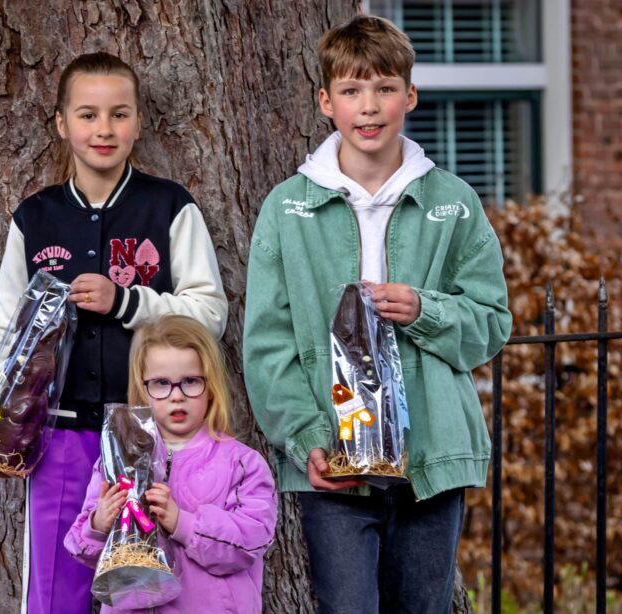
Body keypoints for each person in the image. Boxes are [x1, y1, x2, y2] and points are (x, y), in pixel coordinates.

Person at [243, 14, 512, 614]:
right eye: (351, 91)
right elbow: (267, 344)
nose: (369, 107)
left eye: (385, 88)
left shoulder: (453, 203)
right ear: (325, 101)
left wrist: (424, 309)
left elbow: (491, 324)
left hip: (429, 455)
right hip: (336, 466)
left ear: (409, 96)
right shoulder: (287, 209)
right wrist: (307, 439)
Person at [0, 53, 228, 613]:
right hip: (59, 438)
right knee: (55, 593)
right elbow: (5, 330)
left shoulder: (169, 207)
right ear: (62, 124)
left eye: (119, 114)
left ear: (139, 122)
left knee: (150, 596)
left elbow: (209, 312)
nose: (104, 129)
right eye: (88, 115)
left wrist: (125, 301)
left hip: (153, 435)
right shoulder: (34, 218)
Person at [64, 314, 278, 613]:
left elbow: (250, 543)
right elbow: (83, 549)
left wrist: (183, 523)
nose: (177, 396)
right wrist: (99, 523)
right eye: (161, 383)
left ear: (212, 385)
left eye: (190, 381)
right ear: (143, 387)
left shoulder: (242, 463)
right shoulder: (119, 457)